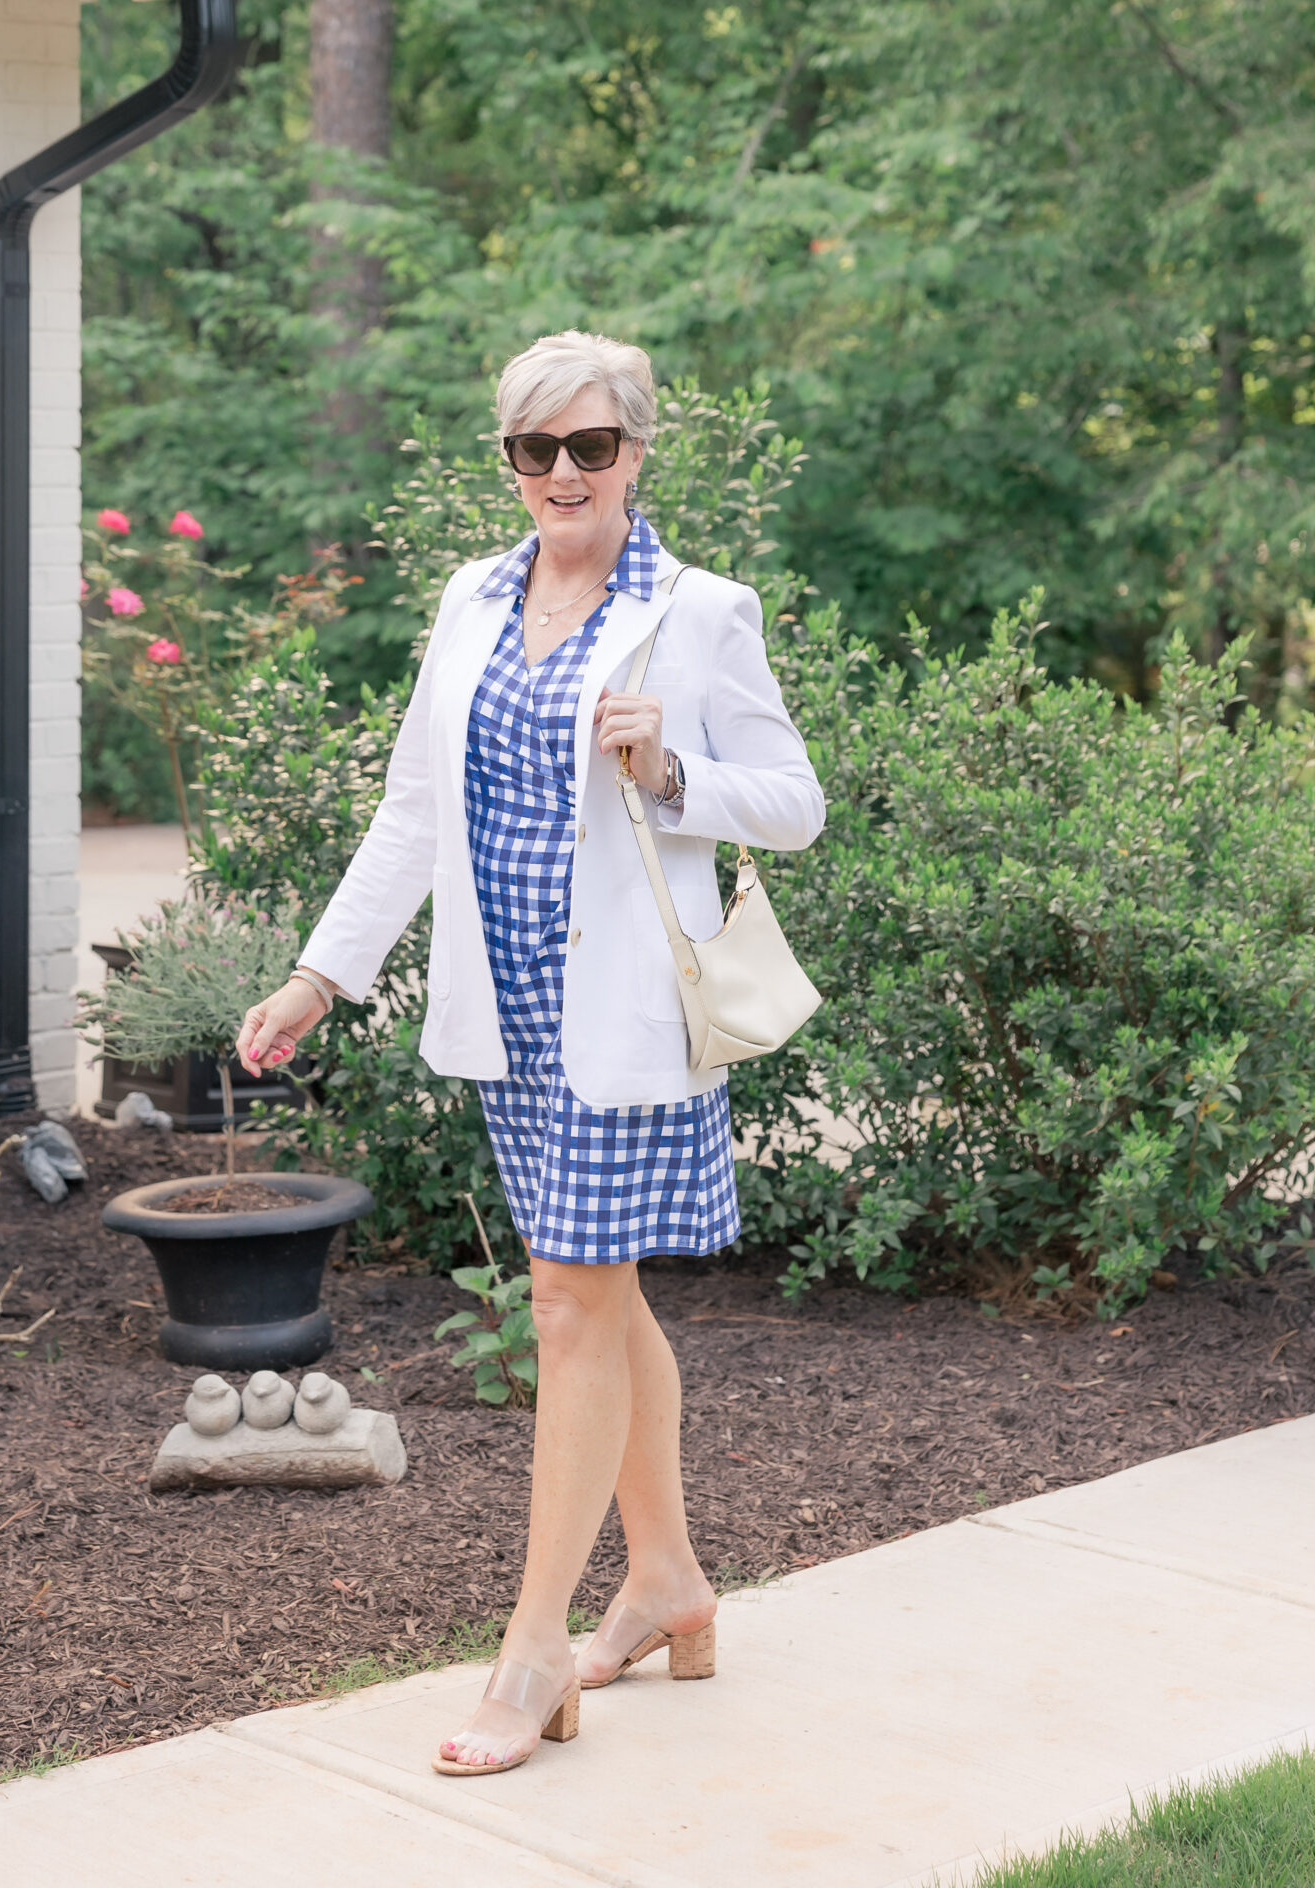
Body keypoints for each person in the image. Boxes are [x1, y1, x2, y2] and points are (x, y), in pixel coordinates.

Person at [236, 330, 825, 1777]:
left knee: (570, 1301)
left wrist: (670, 771)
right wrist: (323, 974)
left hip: (627, 1024)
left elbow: (796, 802)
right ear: (508, 460)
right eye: (533, 450)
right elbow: (413, 815)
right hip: (507, 1019)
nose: (563, 474)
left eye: (591, 448)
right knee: (602, 1304)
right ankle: (670, 1581)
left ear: (636, 453)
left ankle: (534, 1649)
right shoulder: (470, 598)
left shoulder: (699, 612)